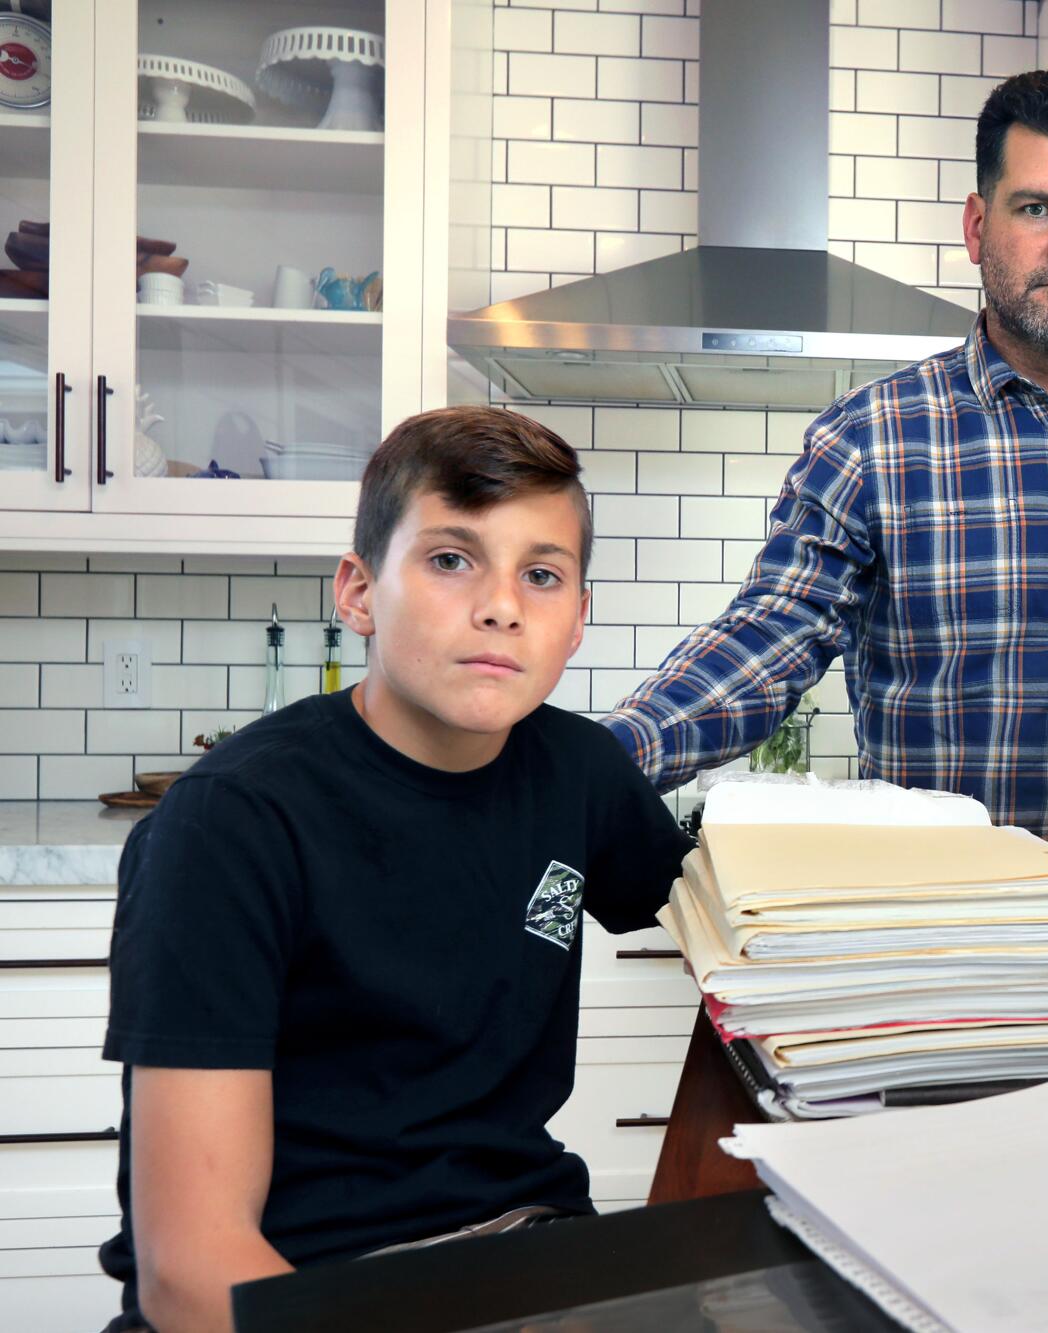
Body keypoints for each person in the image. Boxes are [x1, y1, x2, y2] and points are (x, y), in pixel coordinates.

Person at [98, 407, 695, 1333]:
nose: (501, 604)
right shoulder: (231, 824)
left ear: (577, 620)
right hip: (305, 1286)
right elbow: (191, 1271)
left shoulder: (580, 773)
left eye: (541, 575)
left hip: (524, 1251)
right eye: (451, 559)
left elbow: (734, 927)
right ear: (359, 591)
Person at [602, 70, 1048, 843]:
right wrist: (600, 762)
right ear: (976, 227)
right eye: (1037, 208)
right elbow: (769, 638)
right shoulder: (871, 440)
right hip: (946, 935)